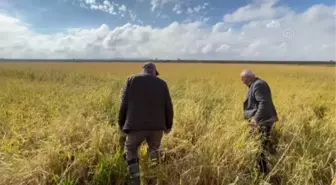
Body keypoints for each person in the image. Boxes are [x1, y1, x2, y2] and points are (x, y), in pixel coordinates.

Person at [118, 62, 174, 185]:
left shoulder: (131, 80)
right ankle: (153, 179)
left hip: (135, 126)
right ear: (155, 72)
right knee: (154, 150)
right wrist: (168, 125)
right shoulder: (162, 84)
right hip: (157, 127)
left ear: (142, 70)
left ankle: (135, 179)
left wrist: (121, 123)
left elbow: (124, 104)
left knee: (131, 149)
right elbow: (168, 106)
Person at [240, 69, 278, 175]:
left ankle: (263, 172)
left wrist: (255, 119)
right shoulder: (256, 84)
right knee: (259, 146)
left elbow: (264, 103)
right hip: (262, 121)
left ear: (247, 78)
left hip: (262, 122)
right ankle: (260, 169)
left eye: (242, 78)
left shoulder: (258, 85)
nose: (241, 81)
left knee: (259, 147)